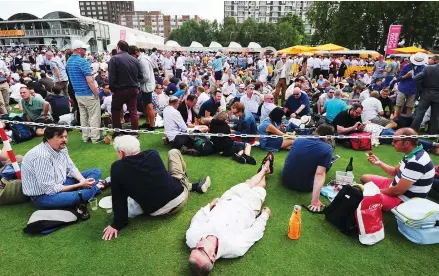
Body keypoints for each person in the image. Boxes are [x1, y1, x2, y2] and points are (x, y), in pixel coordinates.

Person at [102, 135, 211, 241]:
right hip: (179, 197)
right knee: (173, 152)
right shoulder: (152, 154)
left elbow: (118, 198)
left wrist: (117, 224)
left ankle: (190, 185)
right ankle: (190, 185)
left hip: (156, 211)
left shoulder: (117, 167)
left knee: (165, 177)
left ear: (121, 153)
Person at [186, 159, 272, 275]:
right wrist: (264, 216)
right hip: (249, 207)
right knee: (260, 186)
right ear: (213, 256)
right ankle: (265, 171)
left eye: (194, 249)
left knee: (249, 182)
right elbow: (254, 232)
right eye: (201, 249)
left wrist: (209, 205)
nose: (197, 244)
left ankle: (264, 169)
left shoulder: (191, 238)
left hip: (228, 198)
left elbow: (197, 218)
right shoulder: (234, 248)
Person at [21, 127, 107, 208]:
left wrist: (82, 180)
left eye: (66, 136)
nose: (64, 140)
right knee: (78, 196)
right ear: (48, 138)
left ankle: (85, 189)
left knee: (96, 171)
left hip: (62, 182)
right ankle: (96, 187)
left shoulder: (62, 147)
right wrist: (79, 185)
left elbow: (71, 167)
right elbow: (50, 189)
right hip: (43, 195)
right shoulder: (42, 156)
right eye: (60, 137)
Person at [360, 128, 434, 211]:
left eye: (395, 141)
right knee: (364, 178)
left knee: (362, 196)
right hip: (395, 187)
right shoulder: (412, 153)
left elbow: (398, 191)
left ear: (406, 143)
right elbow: (394, 171)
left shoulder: (417, 161)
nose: (392, 143)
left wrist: (377, 191)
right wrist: (380, 163)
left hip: (403, 200)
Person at [282, 124, 335, 212]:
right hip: (305, 186)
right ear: (328, 137)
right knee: (325, 167)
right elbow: (319, 174)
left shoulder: (298, 139)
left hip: (285, 180)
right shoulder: (328, 148)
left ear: (316, 131)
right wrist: (315, 201)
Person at [66, 40, 101, 143]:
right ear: (78, 49)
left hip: (78, 94)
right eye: (84, 49)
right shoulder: (82, 61)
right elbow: (90, 81)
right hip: (87, 93)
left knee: (83, 116)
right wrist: (96, 93)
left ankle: (85, 137)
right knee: (94, 116)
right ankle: (95, 137)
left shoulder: (69, 61)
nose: (85, 51)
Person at [108, 40, 142, 134]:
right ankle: (135, 132)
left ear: (118, 48)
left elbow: (112, 76)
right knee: (133, 111)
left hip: (120, 89)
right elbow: (140, 76)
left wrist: (112, 89)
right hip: (133, 89)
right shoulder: (135, 59)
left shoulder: (114, 59)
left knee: (115, 109)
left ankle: (118, 132)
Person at [129, 46, 156, 131]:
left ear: (136, 52)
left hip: (147, 86)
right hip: (146, 85)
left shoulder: (143, 61)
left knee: (149, 105)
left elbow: (146, 77)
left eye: (132, 55)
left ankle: (152, 126)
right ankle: (148, 122)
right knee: (145, 105)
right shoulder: (143, 59)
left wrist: (137, 81)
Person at [411, 55, 439, 135]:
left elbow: (416, 78)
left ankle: (412, 131)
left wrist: (421, 88)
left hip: (426, 93)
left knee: (420, 113)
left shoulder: (428, 68)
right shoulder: (429, 68)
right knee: (435, 116)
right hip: (437, 95)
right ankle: (433, 134)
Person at [395, 53, 426, 119]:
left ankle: (407, 121)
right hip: (403, 88)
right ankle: (396, 120)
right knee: (399, 105)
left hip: (414, 90)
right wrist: (406, 76)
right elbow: (399, 78)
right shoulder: (407, 66)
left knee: (410, 106)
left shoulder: (423, 68)